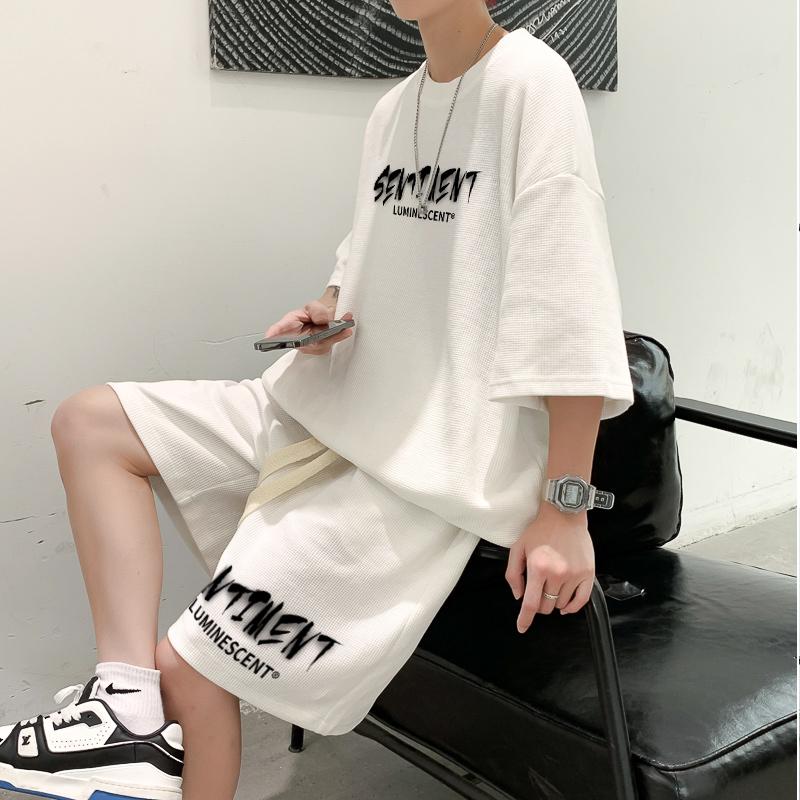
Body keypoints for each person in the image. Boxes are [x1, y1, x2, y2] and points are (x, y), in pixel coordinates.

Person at [0, 0, 634, 798]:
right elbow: (370, 252)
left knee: (191, 667)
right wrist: (332, 308)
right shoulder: (395, 107)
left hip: (428, 464)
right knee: (89, 424)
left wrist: (565, 508)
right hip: (331, 409)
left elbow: (566, 302)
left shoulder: (532, 83)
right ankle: (123, 706)